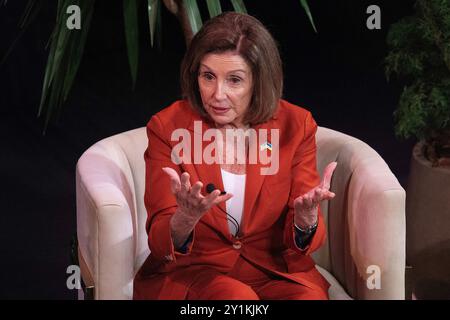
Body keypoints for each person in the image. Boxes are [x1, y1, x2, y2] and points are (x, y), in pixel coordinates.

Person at [133, 11, 337, 300]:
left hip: (271, 270)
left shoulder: (295, 124)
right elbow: (159, 241)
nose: (217, 94)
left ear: (258, 81)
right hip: (194, 273)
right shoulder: (168, 127)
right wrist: (185, 218)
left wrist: (305, 220)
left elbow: (305, 236)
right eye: (208, 77)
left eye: (234, 80)